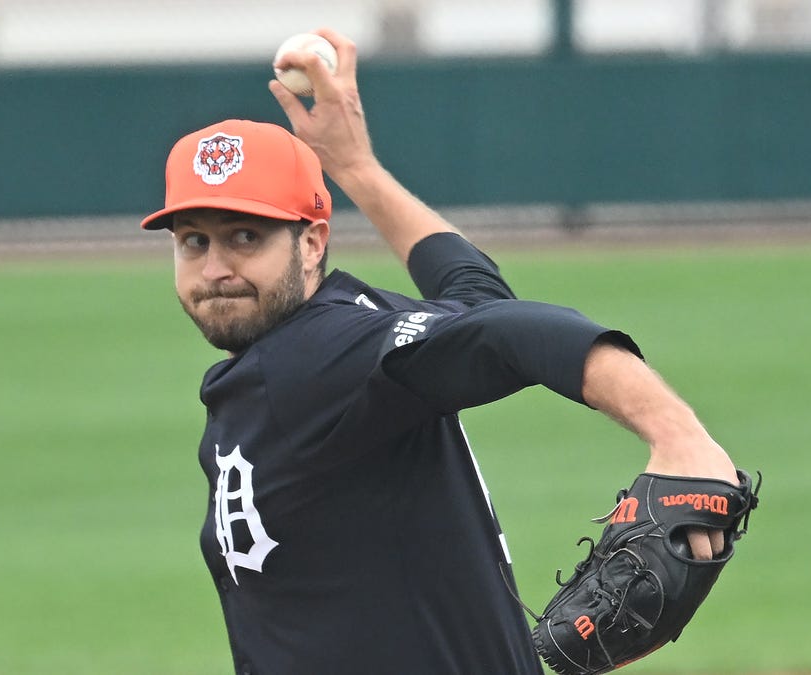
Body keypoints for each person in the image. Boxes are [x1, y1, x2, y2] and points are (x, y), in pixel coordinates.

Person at [141, 28, 741, 675]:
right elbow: (479, 297)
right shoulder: (348, 329)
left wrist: (678, 434)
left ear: (311, 244)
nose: (216, 267)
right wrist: (357, 168)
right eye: (193, 241)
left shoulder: (318, 357)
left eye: (244, 236)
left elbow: (509, 333)